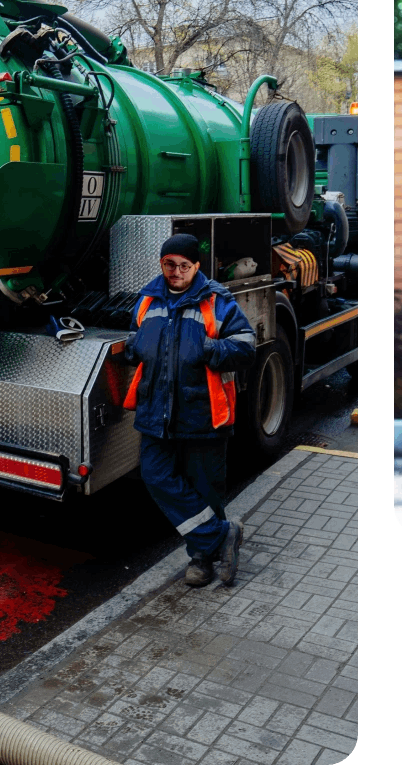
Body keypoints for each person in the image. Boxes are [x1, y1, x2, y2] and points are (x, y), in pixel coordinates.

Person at [125, 233, 256, 583]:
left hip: (204, 411)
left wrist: (208, 349)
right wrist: (133, 348)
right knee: (155, 476)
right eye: (170, 264)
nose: (176, 272)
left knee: (204, 485)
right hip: (156, 411)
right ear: (161, 264)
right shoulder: (147, 299)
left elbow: (246, 348)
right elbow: (136, 338)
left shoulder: (217, 300)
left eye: (184, 265)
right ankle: (220, 536)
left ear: (197, 266)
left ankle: (201, 559)